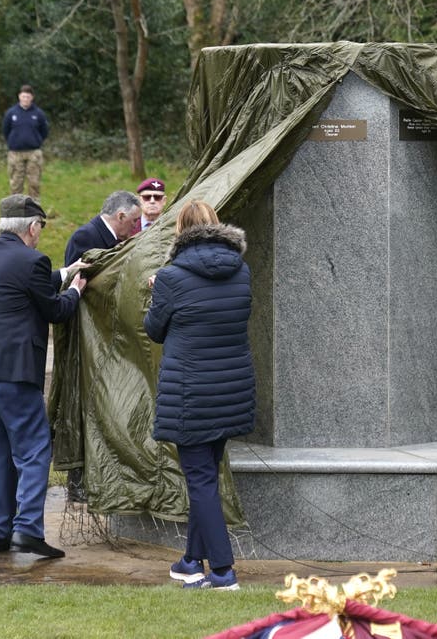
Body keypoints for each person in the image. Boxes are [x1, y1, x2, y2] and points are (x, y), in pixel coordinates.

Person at [0, 194, 87, 558]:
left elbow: (23, 281)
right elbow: (54, 309)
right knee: (33, 448)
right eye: (40, 229)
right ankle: (28, 529)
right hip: (12, 370)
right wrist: (75, 291)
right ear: (33, 228)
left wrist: (65, 273)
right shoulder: (32, 260)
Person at [144, 200, 255, 589]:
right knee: (204, 476)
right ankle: (192, 560)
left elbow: (154, 330)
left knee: (201, 480)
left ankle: (223, 571)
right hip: (232, 390)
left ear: (180, 232)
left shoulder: (171, 277)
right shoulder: (240, 271)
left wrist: (156, 292)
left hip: (191, 395)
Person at [63, 190, 142, 265]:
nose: (135, 226)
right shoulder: (84, 237)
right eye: (134, 220)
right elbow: (73, 276)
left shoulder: (114, 239)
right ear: (121, 217)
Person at [1, 85, 49, 199]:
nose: (25, 99)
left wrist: (36, 141)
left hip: (33, 153)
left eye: (28, 97)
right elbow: (5, 130)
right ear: (19, 97)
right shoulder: (11, 113)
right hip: (15, 154)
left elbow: (44, 131)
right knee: (16, 184)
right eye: (23, 96)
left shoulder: (38, 114)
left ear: (32, 98)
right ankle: (16, 210)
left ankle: (34, 210)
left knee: (34, 183)